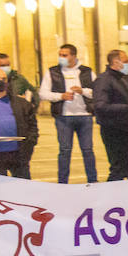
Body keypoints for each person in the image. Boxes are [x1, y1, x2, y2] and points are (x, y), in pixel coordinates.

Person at [92, 49, 128, 181]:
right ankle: (110, 192)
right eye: (126, 61)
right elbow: (100, 106)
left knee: (125, 168)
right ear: (116, 62)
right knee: (118, 169)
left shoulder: (122, 79)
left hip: (125, 131)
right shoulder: (104, 80)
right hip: (113, 130)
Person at [40, 43, 97, 183]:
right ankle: (62, 182)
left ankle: (93, 181)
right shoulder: (52, 72)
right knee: (65, 151)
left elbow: (97, 92)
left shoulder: (87, 71)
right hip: (63, 117)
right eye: (60, 55)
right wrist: (61, 96)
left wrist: (83, 91)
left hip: (84, 116)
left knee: (88, 150)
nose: (61, 58)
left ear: (74, 56)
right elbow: (43, 93)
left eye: (64, 55)